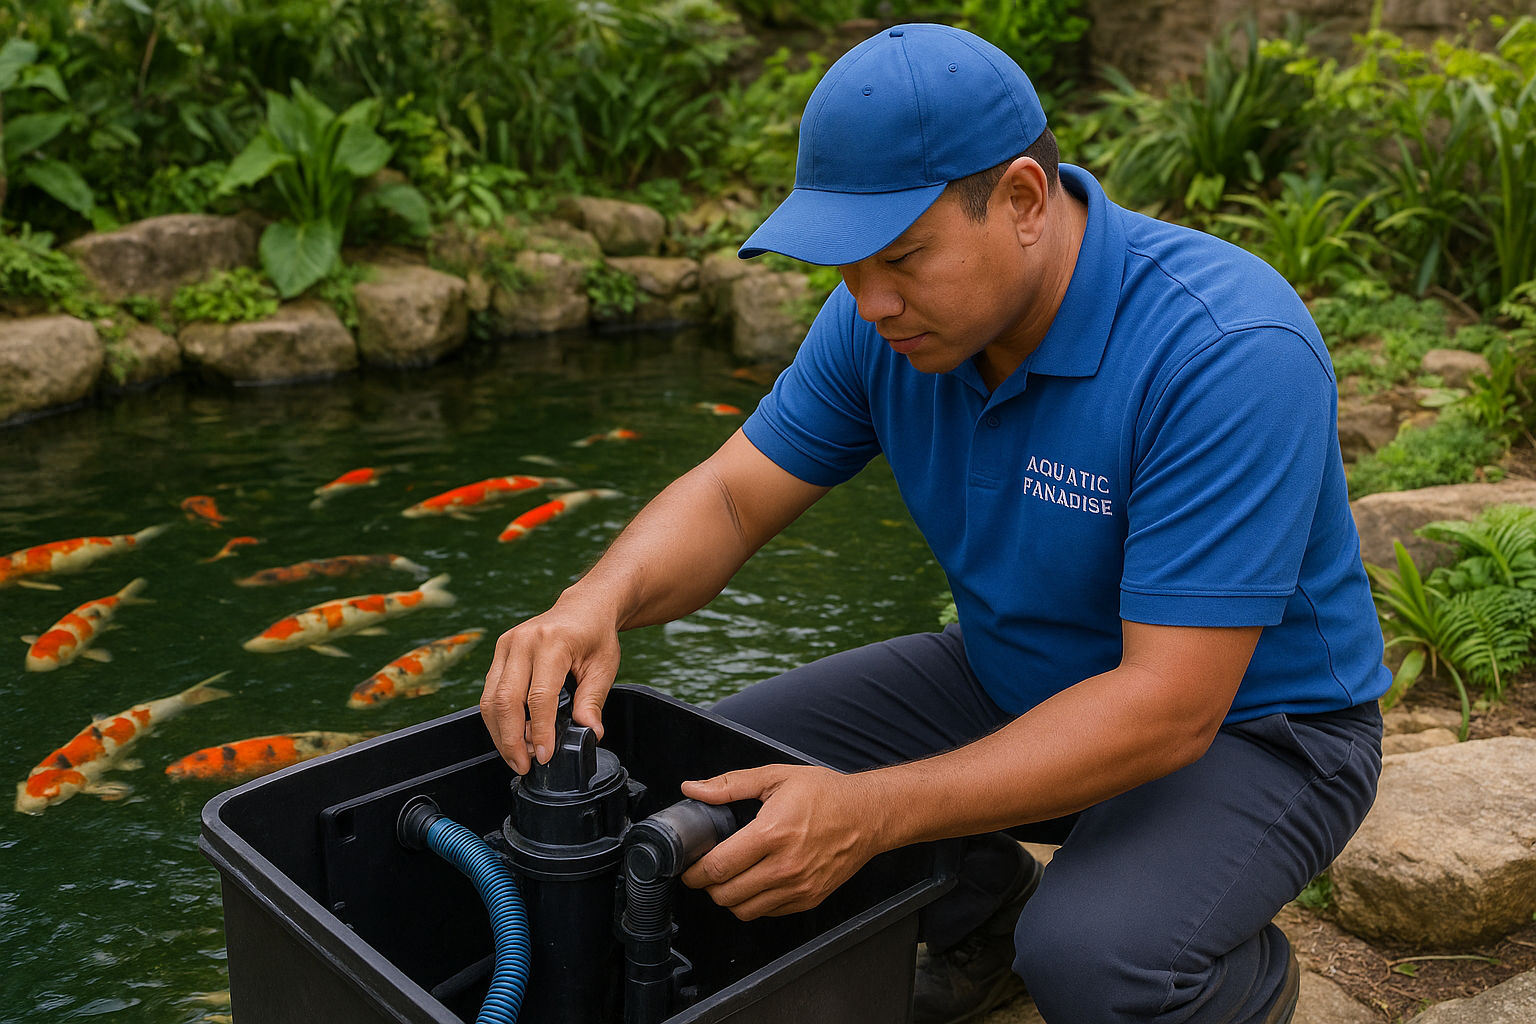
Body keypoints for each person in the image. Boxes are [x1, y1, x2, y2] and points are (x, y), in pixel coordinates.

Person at [480, 22, 1388, 1024]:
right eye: (845, 267)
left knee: (1094, 959)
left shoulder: (1225, 349)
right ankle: (978, 912)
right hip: (1008, 675)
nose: (869, 302)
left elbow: (1169, 707)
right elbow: (733, 497)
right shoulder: (886, 321)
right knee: (704, 792)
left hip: (1258, 733)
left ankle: (1226, 983)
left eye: (903, 256)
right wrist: (595, 598)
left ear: (1023, 202)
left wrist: (875, 814)